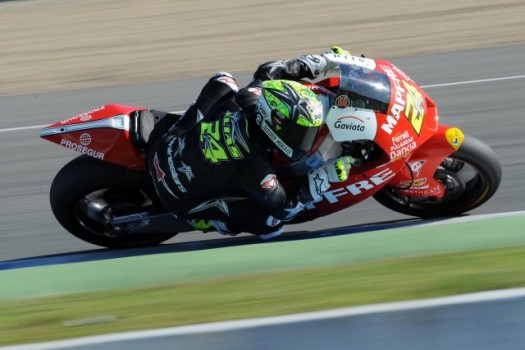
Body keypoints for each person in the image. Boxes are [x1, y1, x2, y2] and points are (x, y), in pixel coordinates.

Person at [147, 46, 354, 239]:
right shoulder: (255, 167)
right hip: (177, 199)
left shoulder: (249, 97)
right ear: (274, 122)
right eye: (299, 132)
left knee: (224, 81)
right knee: (272, 224)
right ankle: (209, 221)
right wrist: (325, 176)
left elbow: (269, 70)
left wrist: (324, 61)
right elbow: (283, 206)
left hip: (164, 148)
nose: (304, 140)